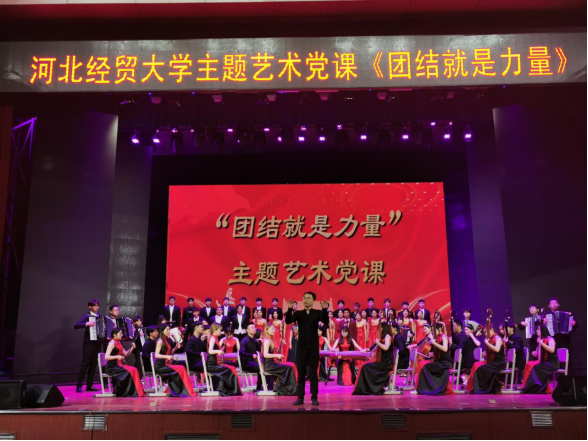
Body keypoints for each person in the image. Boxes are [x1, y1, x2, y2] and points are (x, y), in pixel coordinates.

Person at [285, 292, 329, 406]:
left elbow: (326, 321)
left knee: (313, 373)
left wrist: (324, 309)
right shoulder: (299, 313)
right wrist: (289, 309)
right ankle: (300, 397)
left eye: (308, 298)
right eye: (304, 298)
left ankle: (314, 397)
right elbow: (288, 321)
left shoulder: (317, 313)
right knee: (301, 373)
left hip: (313, 347)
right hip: (301, 347)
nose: (305, 300)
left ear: (313, 300)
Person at [352, 323, 394, 395]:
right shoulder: (382, 338)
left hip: (386, 364)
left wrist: (378, 343)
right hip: (382, 362)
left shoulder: (387, 336)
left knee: (365, 367)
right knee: (364, 366)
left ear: (384, 328)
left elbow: (386, 348)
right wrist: (369, 351)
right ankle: (367, 388)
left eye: (379, 328)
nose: (378, 330)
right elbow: (375, 349)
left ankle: (371, 388)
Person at [154, 324, 196, 397]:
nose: (168, 331)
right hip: (160, 366)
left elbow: (170, 353)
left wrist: (175, 347)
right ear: (162, 331)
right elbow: (156, 355)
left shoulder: (166, 340)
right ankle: (185, 391)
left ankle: (179, 390)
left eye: (169, 329)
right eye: (167, 330)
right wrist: (166, 356)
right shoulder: (160, 341)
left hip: (166, 364)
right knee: (181, 368)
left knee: (181, 367)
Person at [104, 328, 146, 397]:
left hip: (119, 364)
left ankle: (136, 391)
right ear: (114, 335)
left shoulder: (119, 342)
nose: (122, 335)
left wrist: (132, 348)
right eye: (120, 334)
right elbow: (106, 357)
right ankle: (129, 392)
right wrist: (117, 357)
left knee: (134, 369)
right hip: (112, 366)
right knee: (132, 370)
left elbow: (126, 354)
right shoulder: (112, 343)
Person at [414, 323, 453, 395]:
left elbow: (445, 349)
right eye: (432, 330)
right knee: (422, 363)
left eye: (434, 330)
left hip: (444, 363)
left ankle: (422, 389)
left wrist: (433, 342)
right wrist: (433, 354)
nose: (433, 332)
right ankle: (421, 388)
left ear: (440, 329)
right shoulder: (437, 338)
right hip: (439, 361)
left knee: (424, 366)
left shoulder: (444, 337)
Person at [521, 323, 560, 394]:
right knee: (529, 364)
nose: (537, 331)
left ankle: (538, 388)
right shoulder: (541, 340)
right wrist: (534, 352)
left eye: (539, 329)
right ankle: (528, 387)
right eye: (537, 329)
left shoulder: (550, 339)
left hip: (552, 363)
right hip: (545, 362)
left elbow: (552, 350)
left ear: (543, 330)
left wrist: (541, 344)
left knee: (536, 367)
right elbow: (537, 354)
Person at [74, 299, 102, 393]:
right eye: (94, 305)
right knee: (85, 364)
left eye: (97, 305)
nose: (96, 307)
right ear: (90, 307)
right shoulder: (87, 316)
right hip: (89, 343)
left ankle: (89, 385)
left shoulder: (100, 317)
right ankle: (79, 385)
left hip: (97, 343)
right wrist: (86, 323)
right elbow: (76, 325)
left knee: (93, 364)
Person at [206, 324, 242, 396]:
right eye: (220, 330)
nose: (221, 332)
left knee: (232, 368)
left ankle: (229, 389)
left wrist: (223, 347)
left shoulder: (215, 338)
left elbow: (218, 350)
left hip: (215, 363)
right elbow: (210, 351)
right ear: (215, 330)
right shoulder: (213, 338)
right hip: (213, 365)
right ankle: (230, 390)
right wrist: (218, 351)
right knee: (231, 369)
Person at [262, 323, 298, 396]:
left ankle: (284, 389)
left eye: (274, 328)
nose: (274, 330)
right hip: (270, 366)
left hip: (272, 364)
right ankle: (284, 389)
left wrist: (280, 345)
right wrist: (276, 355)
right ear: (267, 330)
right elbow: (265, 354)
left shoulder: (271, 340)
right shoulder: (267, 341)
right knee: (288, 368)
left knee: (289, 366)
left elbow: (273, 351)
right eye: (272, 329)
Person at [470, 325, 506, 394]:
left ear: (492, 330)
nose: (486, 334)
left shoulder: (497, 338)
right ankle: (480, 388)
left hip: (499, 363)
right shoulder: (491, 339)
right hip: (494, 362)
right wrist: (486, 354)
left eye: (487, 332)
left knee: (481, 369)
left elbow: (497, 349)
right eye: (485, 333)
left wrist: (487, 343)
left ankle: (483, 388)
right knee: (479, 368)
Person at [240, 323, 274, 391]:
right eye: (252, 328)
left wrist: (262, 343)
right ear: (247, 330)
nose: (254, 329)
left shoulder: (255, 340)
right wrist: (251, 355)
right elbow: (241, 352)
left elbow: (260, 350)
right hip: (246, 363)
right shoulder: (244, 340)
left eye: (254, 327)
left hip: (254, 362)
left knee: (266, 366)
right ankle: (260, 387)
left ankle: (269, 385)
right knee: (261, 368)